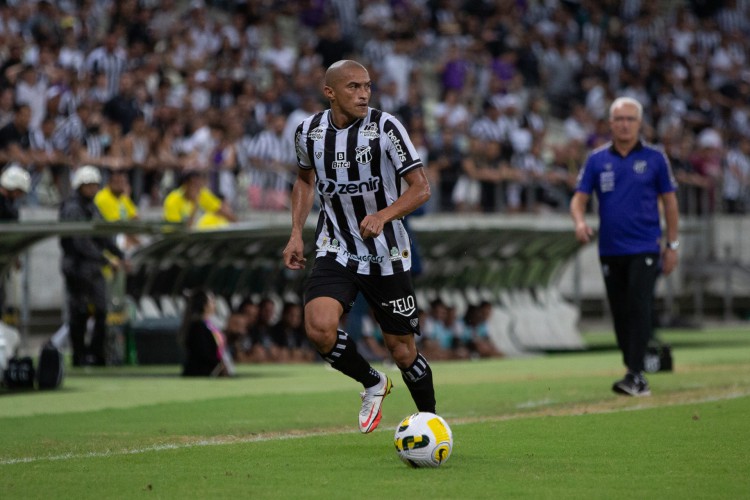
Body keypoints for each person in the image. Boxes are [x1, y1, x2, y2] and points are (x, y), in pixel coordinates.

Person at [283, 60, 436, 434]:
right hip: (336, 245)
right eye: (353, 87)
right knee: (319, 328)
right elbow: (304, 181)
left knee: (402, 351)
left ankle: (431, 421)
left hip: (387, 253)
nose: (364, 93)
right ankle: (372, 382)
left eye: (367, 86)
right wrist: (294, 233)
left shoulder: (386, 127)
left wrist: (383, 215)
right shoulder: (309, 132)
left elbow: (420, 188)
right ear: (330, 92)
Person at [570, 96, 680, 397]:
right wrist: (580, 222)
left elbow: (670, 203)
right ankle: (633, 368)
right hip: (609, 248)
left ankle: (635, 373)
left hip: (645, 245)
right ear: (610, 123)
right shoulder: (597, 159)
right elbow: (578, 199)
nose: (625, 124)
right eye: (619, 119)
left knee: (638, 305)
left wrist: (671, 244)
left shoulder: (656, 159)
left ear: (639, 123)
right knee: (619, 312)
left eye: (630, 119)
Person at [59, 165, 125, 366]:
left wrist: (119, 254)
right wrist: (106, 259)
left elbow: (103, 234)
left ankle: (97, 354)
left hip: (93, 267)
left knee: (101, 310)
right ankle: (79, 355)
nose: (93, 189)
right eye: (89, 185)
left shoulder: (92, 207)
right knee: (79, 312)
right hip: (77, 267)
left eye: (95, 185)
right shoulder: (72, 209)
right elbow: (81, 242)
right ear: (80, 186)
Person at [178, 289, 234, 377]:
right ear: (204, 305)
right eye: (212, 301)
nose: (215, 304)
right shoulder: (197, 327)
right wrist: (219, 364)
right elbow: (203, 352)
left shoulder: (208, 325)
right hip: (199, 373)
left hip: (209, 370)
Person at [163, 170, 236, 228]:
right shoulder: (172, 200)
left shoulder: (202, 193)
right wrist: (195, 205)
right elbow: (179, 230)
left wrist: (236, 223)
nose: (198, 189)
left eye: (199, 185)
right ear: (186, 185)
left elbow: (221, 210)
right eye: (194, 185)